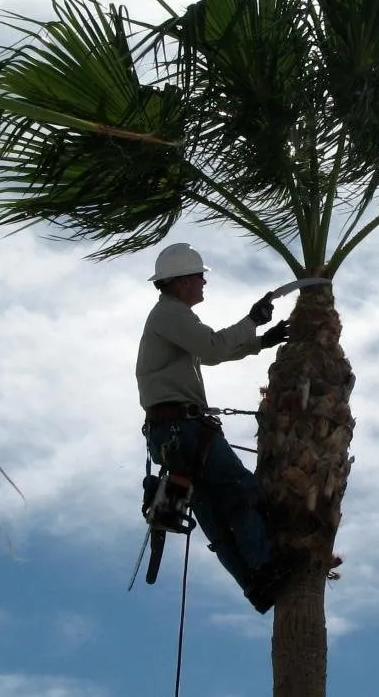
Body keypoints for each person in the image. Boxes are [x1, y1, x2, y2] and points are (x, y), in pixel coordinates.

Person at [135, 242, 295, 613]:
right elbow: (211, 348)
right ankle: (268, 563)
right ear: (182, 281)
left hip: (171, 432)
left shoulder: (171, 318)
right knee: (237, 489)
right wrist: (252, 321)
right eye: (199, 276)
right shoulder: (169, 315)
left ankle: (256, 585)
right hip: (182, 428)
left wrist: (260, 341)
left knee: (212, 512)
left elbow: (213, 352)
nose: (204, 282)